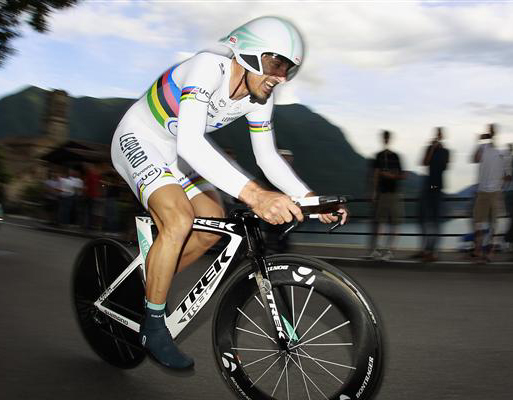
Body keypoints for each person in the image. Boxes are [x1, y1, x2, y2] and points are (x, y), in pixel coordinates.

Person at [110, 16, 346, 370]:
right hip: (141, 138)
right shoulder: (208, 67)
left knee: (211, 225)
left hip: (176, 152)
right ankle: (153, 324)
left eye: (289, 70)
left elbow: (267, 157)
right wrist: (256, 196)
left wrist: (310, 198)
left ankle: (150, 285)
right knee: (179, 219)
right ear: (249, 54)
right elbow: (191, 142)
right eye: (276, 63)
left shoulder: (260, 96)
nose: (281, 77)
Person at [471, 124, 511, 262]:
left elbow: (508, 176)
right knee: (478, 222)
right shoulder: (483, 148)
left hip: (495, 193)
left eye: (493, 130)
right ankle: (478, 250)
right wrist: (479, 141)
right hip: (482, 191)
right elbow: (474, 159)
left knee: (495, 223)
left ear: (496, 133)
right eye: (490, 130)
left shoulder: (503, 153)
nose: (491, 132)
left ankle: (490, 252)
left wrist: (502, 184)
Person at [415, 127, 450, 262]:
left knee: (435, 220)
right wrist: (432, 149)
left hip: (436, 185)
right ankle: (425, 250)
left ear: (442, 136)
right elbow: (424, 163)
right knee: (422, 218)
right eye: (437, 134)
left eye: (440, 134)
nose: (438, 136)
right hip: (427, 185)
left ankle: (432, 252)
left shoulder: (446, 151)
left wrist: (438, 150)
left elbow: (444, 166)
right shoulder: (430, 148)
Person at [369, 130, 404, 261]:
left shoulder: (395, 156)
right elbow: (376, 174)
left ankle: (389, 251)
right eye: (384, 137)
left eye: (387, 137)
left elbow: (402, 175)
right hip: (383, 193)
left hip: (394, 193)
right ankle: (378, 250)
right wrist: (374, 192)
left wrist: (390, 175)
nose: (385, 139)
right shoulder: (378, 156)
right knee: (381, 222)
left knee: (395, 223)